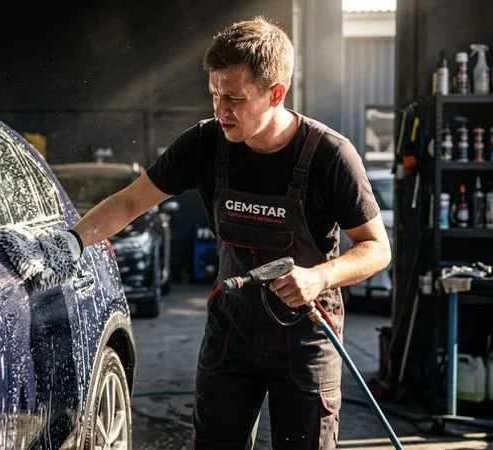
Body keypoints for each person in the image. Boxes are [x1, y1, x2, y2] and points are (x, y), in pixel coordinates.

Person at [55, 16, 390, 449]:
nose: (220, 110)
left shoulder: (330, 156)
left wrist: (320, 276)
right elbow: (129, 201)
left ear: (276, 93)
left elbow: (376, 248)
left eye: (233, 98)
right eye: (214, 94)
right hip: (231, 331)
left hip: (305, 334)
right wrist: (72, 241)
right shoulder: (205, 144)